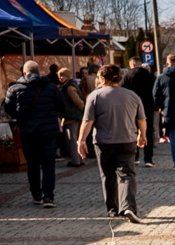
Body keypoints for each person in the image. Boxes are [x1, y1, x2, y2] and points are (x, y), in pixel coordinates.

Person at [77, 64, 147, 222]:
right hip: (127, 140)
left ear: (103, 79)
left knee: (108, 176)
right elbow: (141, 119)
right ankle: (128, 207)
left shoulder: (95, 96)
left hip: (103, 142)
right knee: (127, 174)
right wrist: (142, 135)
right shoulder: (132, 95)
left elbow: (87, 121)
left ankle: (113, 210)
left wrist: (81, 140)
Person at [3, 61, 67, 208]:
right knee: (48, 164)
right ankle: (48, 197)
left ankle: (36, 195)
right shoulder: (51, 87)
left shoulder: (15, 88)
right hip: (48, 132)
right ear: (39, 72)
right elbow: (62, 106)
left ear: (24, 73)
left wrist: (20, 117)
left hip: (28, 131)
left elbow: (8, 108)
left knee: (32, 164)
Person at [122, 57, 156, 167]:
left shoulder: (127, 76)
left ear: (132, 64)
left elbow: (122, 91)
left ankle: (135, 157)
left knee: (133, 130)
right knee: (148, 131)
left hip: (131, 107)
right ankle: (148, 159)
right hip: (147, 107)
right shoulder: (150, 76)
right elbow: (155, 92)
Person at [153, 54, 175, 171]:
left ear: (167, 63)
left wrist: (162, 107)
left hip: (169, 109)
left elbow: (155, 95)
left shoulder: (161, 77)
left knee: (174, 138)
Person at [57, 68, 85, 167]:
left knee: (72, 140)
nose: (60, 78)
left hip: (72, 117)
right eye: (59, 76)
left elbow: (78, 101)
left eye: (62, 75)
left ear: (67, 76)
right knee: (73, 139)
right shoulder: (67, 86)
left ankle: (75, 161)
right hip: (71, 116)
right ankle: (79, 159)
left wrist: (83, 110)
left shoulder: (69, 88)